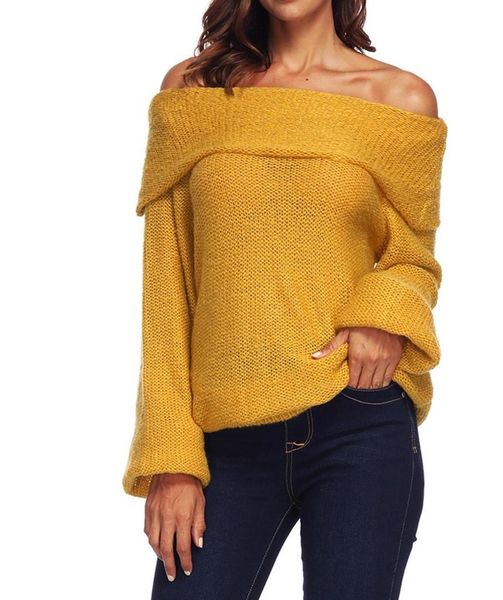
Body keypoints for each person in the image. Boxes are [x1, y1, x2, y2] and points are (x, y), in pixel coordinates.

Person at [122, 0, 448, 598]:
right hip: (224, 438)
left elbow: (413, 258)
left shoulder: (399, 99)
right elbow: (165, 284)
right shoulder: (193, 91)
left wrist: (382, 315)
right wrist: (170, 456)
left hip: (359, 416)